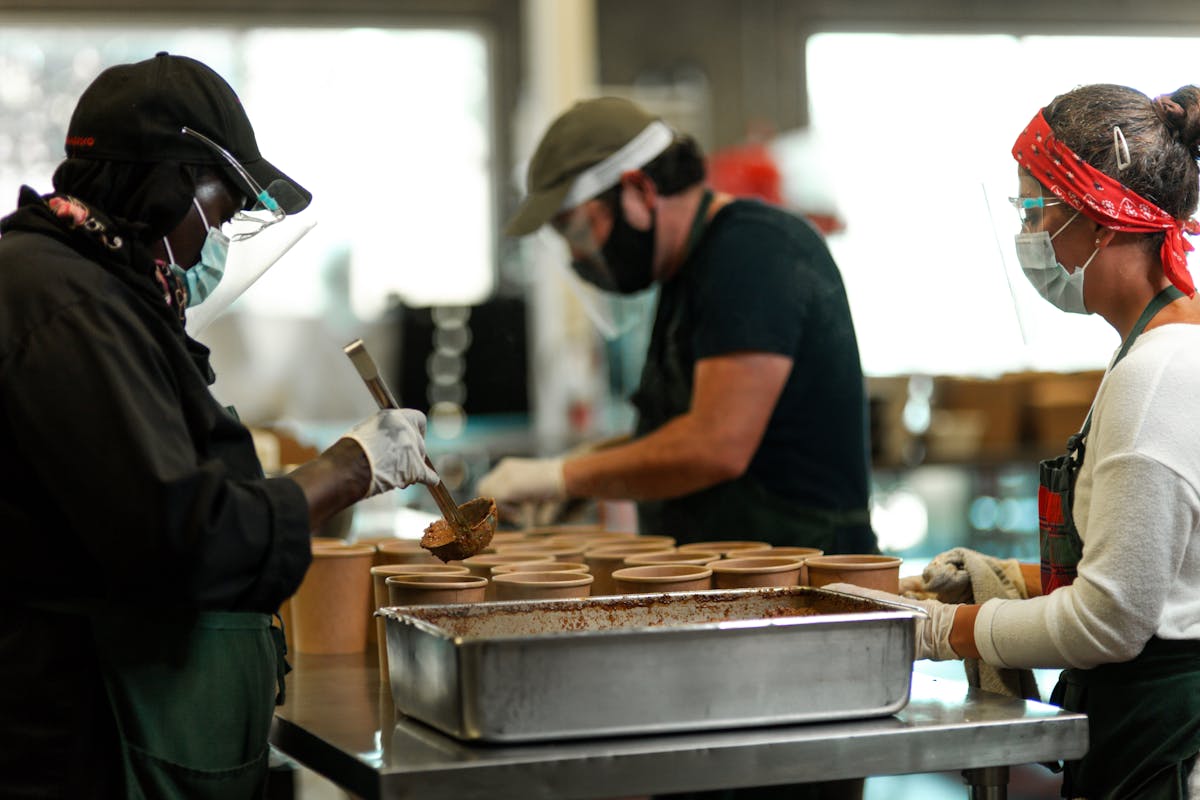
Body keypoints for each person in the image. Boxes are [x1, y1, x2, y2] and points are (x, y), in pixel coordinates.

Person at [0, 53, 438, 799]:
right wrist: (345, 469)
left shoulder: (79, 284)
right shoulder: (68, 305)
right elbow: (184, 534)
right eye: (221, 206)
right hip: (77, 748)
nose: (218, 240)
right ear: (170, 184)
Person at [834, 83, 1200, 800]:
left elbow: (1111, 623)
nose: (1028, 236)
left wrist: (942, 631)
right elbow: (1162, 586)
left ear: (1100, 221)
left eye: (1036, 210)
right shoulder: (1160, 351)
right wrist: (1005, 578)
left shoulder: (1158, 375)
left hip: (1163, 737)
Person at [479, 97, 877, 555]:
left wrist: (562, 478)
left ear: (639, 191)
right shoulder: (688, 273)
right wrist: (595, 470)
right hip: (744, 582)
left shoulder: (754, 251)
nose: (578, 256)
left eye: (579, 230)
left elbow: (715, 445)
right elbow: (683, 426)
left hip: (808, 585)